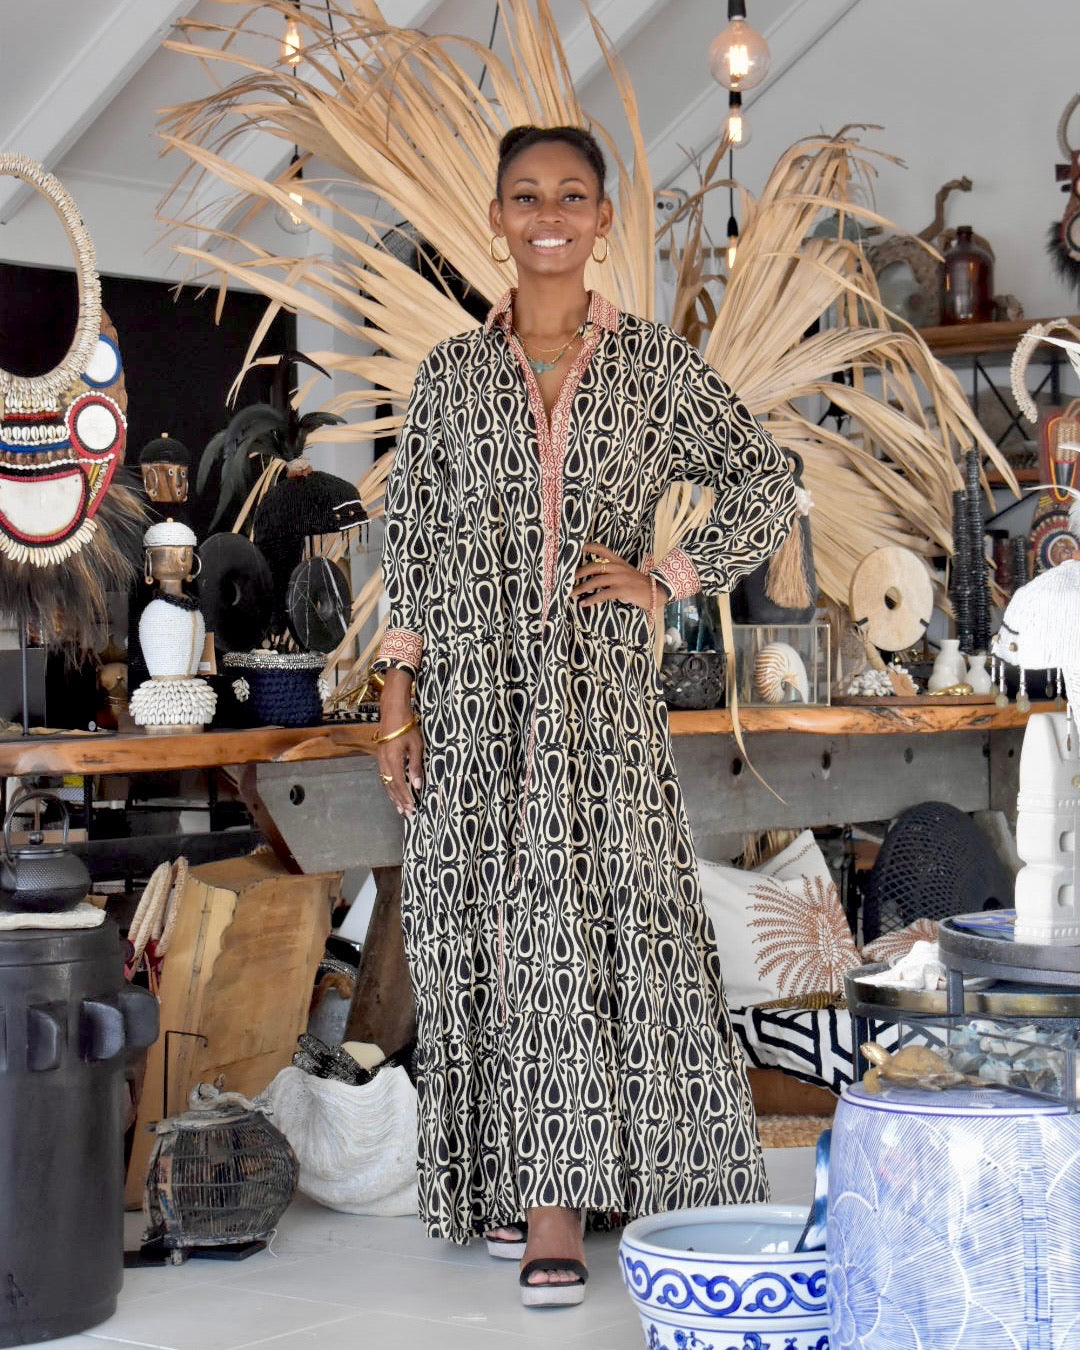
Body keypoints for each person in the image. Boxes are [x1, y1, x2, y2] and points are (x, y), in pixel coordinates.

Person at [373, 123, 798, 1309]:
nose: (547, 213)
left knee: (601, 922)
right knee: (486, 932)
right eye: (525, 195)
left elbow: (768, 485)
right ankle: (533, 1194)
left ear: (604, 218)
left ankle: (591, 1185)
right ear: (497, 216)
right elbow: (413, 542)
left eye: (571, 194)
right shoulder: (451, 377)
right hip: (472, 685)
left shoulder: (655, 366)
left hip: (597, 693)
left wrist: (665, 575)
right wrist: (398, 688)